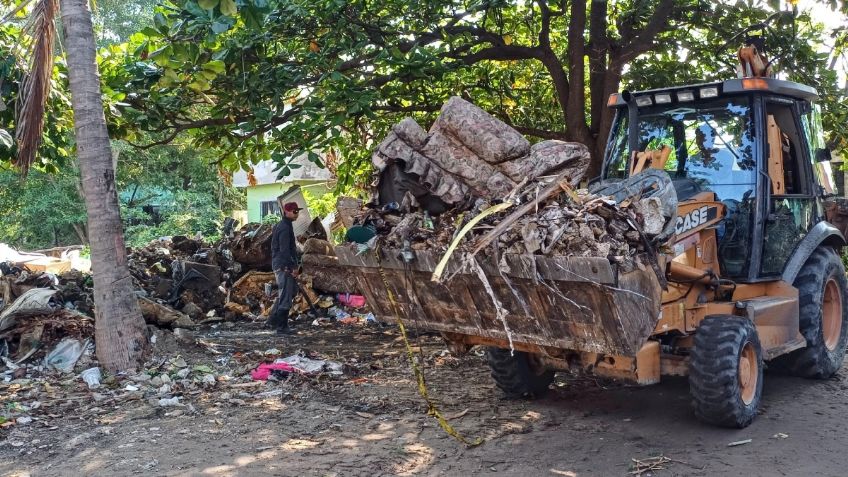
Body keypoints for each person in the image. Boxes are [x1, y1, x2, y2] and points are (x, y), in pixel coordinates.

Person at [268, 201, 302, 334]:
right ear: (286, 212)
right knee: (286, 295)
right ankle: (282, 327)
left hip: (282, 264)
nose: (297, 214)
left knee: (290, 292)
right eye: (294, 211)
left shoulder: (285, 225)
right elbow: (284, 251)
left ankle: (273, 320)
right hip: (283, 266)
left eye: (297, 211)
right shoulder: (284, 227)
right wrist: (292, 267)